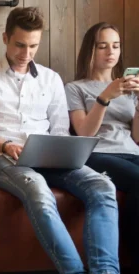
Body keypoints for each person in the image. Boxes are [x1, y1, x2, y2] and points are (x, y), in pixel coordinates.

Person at [0, 7, 120, 274]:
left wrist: (67, 151)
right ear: (5, 38)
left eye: (33, 46)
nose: (26, 54)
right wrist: (3, 145)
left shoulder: (51, 79)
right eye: (19, 45)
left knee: (103, 186)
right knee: (39, 192)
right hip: (3, 159)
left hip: (50, 158)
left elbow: (59, 130)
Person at [66, 21, 139, 271]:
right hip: (98, 154)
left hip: (132, 151)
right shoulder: (75, 88)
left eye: (116, 46)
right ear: (91, 50)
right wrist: (104, 97)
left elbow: (137, 137)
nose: (111, 52)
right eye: (103, 46)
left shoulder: (129, 89)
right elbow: (84, 132)